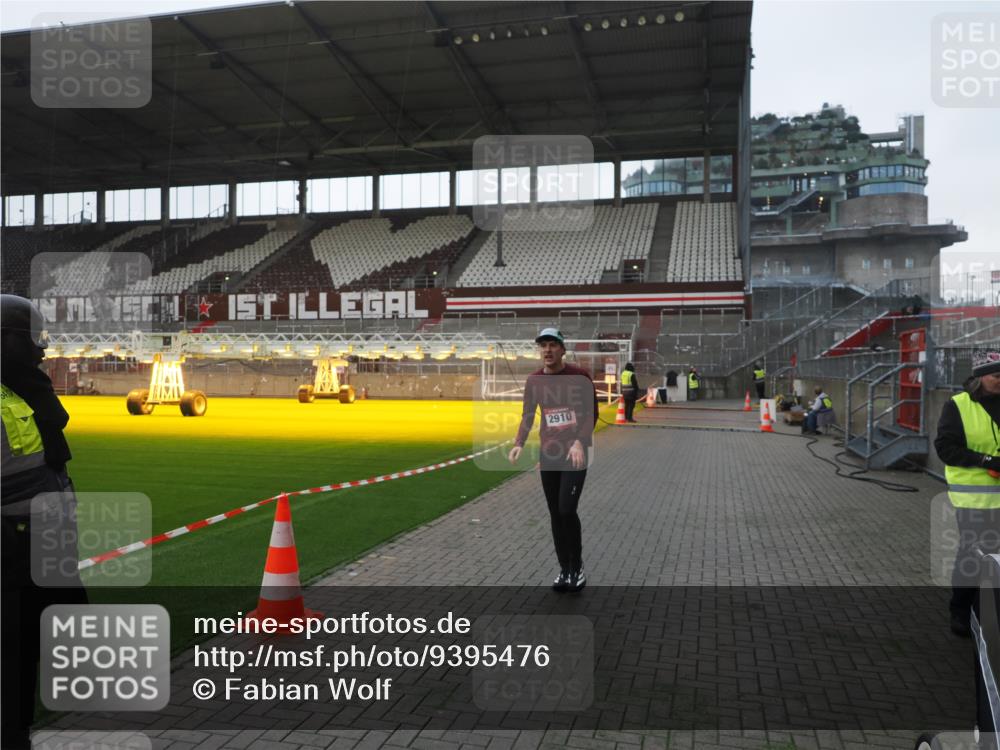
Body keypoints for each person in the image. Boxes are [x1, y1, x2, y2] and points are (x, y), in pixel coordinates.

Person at [1, 294, 87, 750]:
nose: (42, 351)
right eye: (33, 340)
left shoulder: (24, 393)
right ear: (7, 344)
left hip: (41, 550)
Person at [508, 328, 597, 593]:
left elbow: (589, 413)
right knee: (555, 514)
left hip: (575, 452)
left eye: (552, 345)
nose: (547, 350)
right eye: (542, 345)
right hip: (549, 454)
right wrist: (518, 443)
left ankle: (577, 566)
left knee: (567, 509)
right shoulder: (534, 381)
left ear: (562, 349)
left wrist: (580, 441)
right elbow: (528, 415)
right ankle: (564, 569)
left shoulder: (579, 376)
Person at [933, 348, 1000, 638]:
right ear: (981, 377)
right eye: (998, 376)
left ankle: (988, 610)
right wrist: (985, 461)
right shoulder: (958, 405)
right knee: (971, 558)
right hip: (975, 499)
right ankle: (960, 611)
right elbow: (946, 448)